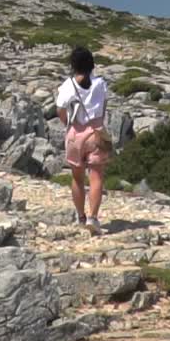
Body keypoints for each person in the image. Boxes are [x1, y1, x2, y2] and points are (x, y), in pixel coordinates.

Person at [56, 45, 111, 234]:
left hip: (75, 135)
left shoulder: (67, 85)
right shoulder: (100, 84)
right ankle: (93, 218)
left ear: (73, 64)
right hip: (95, 133)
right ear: (91, 64)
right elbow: (103, 108)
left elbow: (61, 110)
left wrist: (68, 124)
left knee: (77, 178)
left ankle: (80, 216)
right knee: (96, 177)